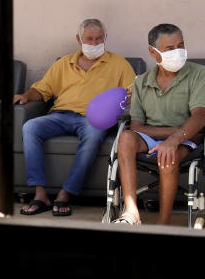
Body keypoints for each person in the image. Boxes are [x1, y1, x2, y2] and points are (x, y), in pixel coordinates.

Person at [15, 18, 136, 216]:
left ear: (105, 38)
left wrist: (119, 106)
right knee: (30, 127)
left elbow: (132, 93)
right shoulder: (64, 63)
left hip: (93, 120)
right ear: (79, 39)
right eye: (89, 39)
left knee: (94, 135)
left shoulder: (119, 64)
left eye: (99, 39)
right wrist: (26, 96)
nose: (95, 43)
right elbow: (43, 90)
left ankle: (66, 194)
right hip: (60, 115)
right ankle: (40, 194)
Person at [111, 23, 205, 225]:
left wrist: (175, 138)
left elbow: (199, 117)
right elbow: (137, 126)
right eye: (170, 49)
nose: (178, 52)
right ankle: (131, 212)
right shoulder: (142, 82)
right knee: (125, 138)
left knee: (169, 153)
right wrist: (172, 132)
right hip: (155, 138)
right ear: (153, 52)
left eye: (181, 46)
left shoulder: (199, 74)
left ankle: (163, 223)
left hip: (187, 138)